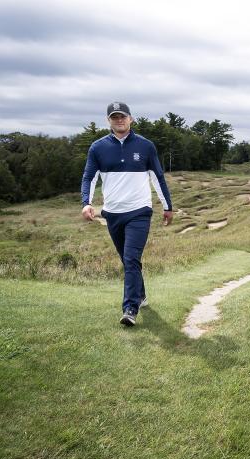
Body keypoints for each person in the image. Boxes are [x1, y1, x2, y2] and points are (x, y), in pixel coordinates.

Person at [81, 102, 173, 327]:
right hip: (112, 214)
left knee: (131, 258)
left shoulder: (146, 146)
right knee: (127, 259)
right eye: (114, 117)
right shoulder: (98, 147)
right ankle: (140, 295)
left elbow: (157, 177)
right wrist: (87, 203)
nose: (119, 120)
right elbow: (89, 177)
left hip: (139, 212)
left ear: (131, 119)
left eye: (123, 116)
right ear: (109, 121)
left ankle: (130, 308)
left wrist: (167, 206)